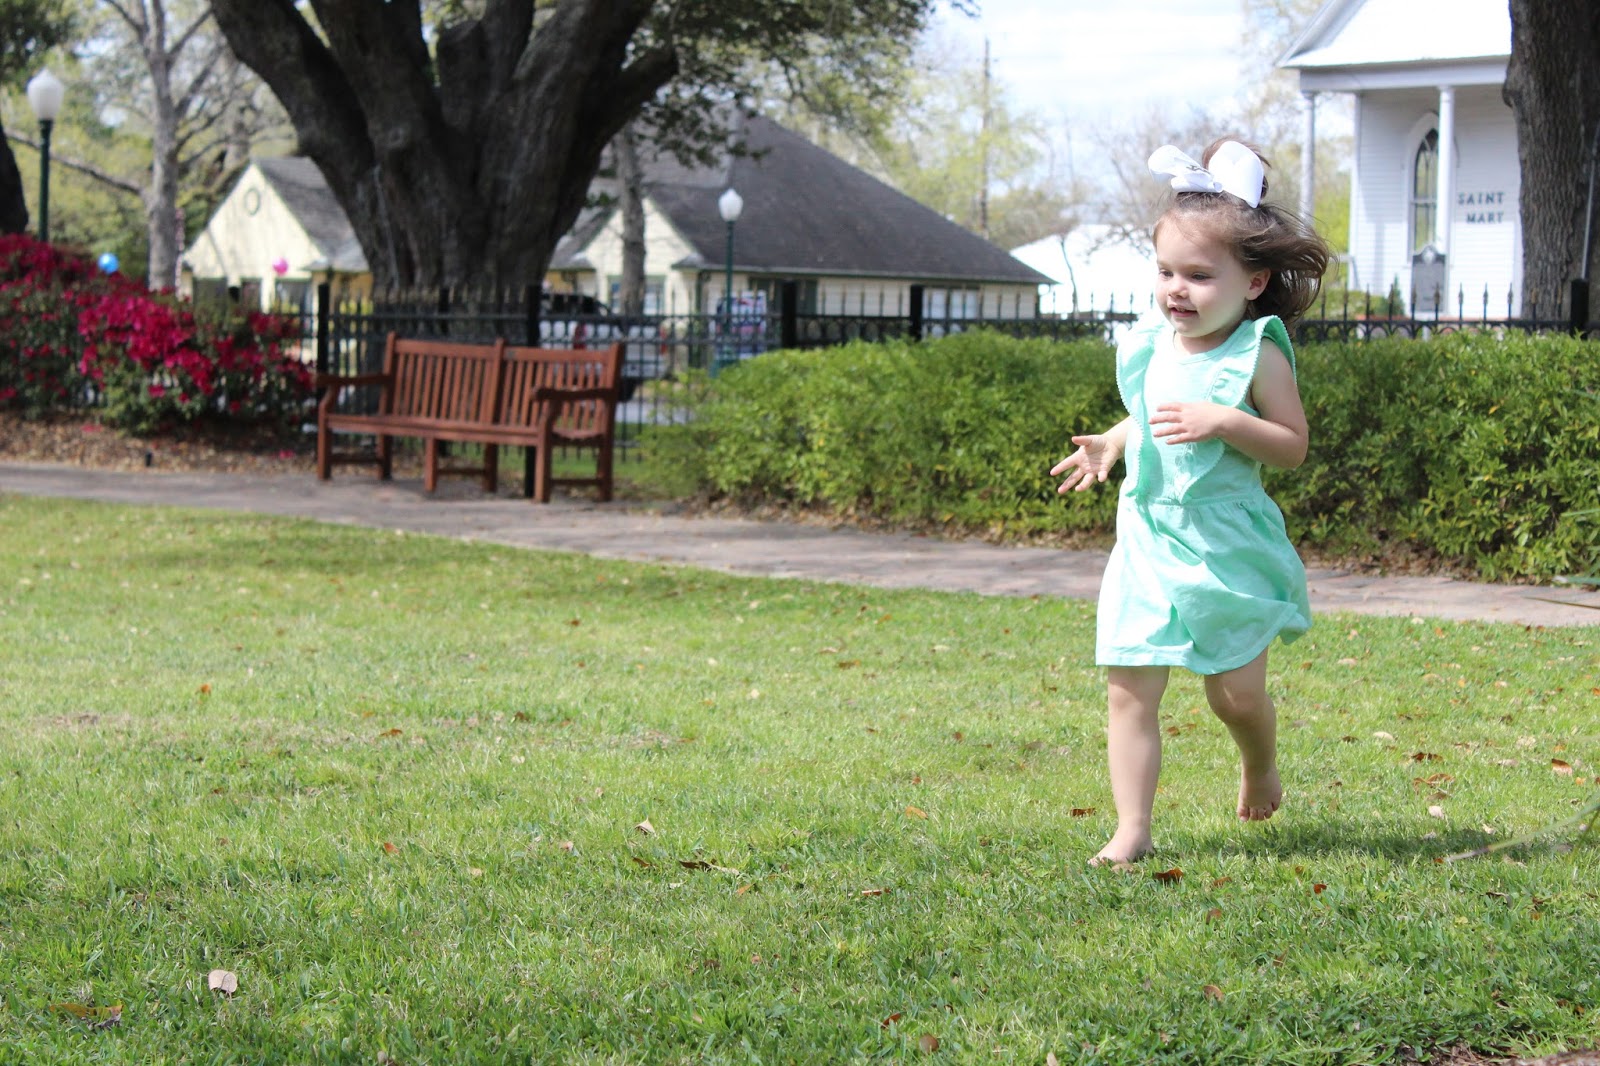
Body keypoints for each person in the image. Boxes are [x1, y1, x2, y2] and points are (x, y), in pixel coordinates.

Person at [1050, 138, 1332, 865]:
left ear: (1254, 281)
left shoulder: (1257, 352)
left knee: (1233, 696)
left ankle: (1259, 763)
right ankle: (1132, 829)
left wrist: (1227, 422)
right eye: (1166, 271)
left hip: (1225, 546)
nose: (1177, 289)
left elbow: (1292, 445)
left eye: (1200, 276)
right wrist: (1115, 442)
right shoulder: (1155, 343)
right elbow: (1152, 413)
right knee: (1129, 688)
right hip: (1147, 537)